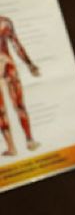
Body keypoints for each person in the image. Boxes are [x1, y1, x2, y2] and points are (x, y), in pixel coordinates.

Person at [0, 15, 41, 156]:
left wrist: (30, 64)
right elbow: (16, 45)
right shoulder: (4, 22)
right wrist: (29, 64)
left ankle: (15, 146)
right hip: (8, 65)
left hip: (7, 66)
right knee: (17, 106)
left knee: (6, 110)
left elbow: (16, 45)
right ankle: (27, 142)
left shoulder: (4, 22)